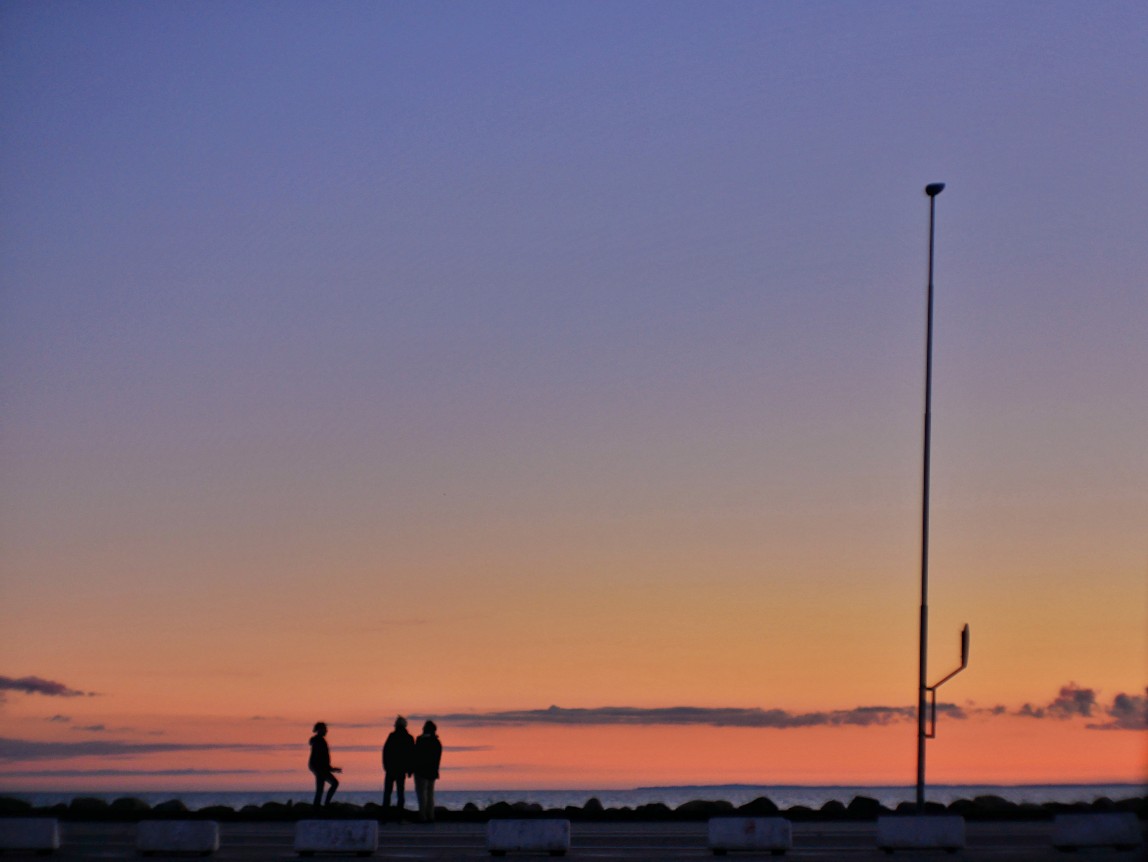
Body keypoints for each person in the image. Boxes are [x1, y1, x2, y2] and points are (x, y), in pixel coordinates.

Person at [381, 715, 415, 819]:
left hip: (391, 768)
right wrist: (410, 769)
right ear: (405, 725)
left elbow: (385, 752)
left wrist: (385, 766)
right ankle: (400, 816)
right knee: (400, 793)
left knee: (387, 793)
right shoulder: (409, 738)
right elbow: (411, 755)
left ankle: (385, 816)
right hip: (401, 769)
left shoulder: (392, 736)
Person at [412, 720, 442, 823]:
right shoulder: (437, 742)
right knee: (430, 794)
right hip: (432, 772)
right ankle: (431, 815)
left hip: (420, 771)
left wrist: (413, 768)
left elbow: (415, 755)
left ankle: (423, 815)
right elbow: (437, 758)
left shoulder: (420, 740)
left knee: (422, 794)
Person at [308, 721, 342, 808]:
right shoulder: (318, 741)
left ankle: (322, 805)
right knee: (322, 787)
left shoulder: (320, 741)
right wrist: (328, 768)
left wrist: (331, 768)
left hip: (321, 767)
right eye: (325, 729)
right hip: (319, 767)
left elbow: (323, 758)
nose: (326, 731)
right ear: (320, 730)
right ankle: (319, 806)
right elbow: (319, 757)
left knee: (329, 785)